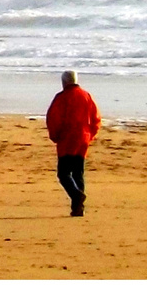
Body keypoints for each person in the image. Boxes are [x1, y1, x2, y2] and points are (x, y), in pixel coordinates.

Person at [45, 70, 101, 217]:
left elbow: (53, 119)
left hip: (67, 139)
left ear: (64, 82)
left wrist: (55, 136)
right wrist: (90, 136)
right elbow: (96, 119)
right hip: (82, 138)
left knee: (63, 174)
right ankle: (78, 208)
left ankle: (77, 196)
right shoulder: (86, 96)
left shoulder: (62, 98)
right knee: (78, 173)